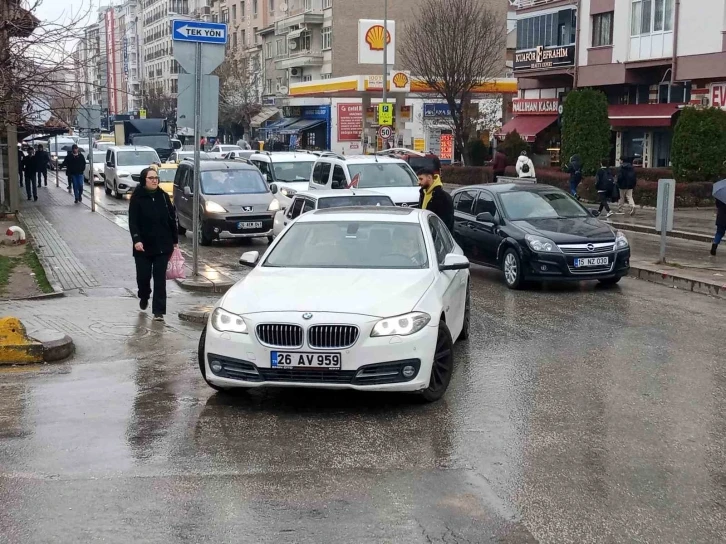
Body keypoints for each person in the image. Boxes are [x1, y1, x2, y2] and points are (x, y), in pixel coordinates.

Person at [128, 168, 179, 321]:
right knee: (143, 278)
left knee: (160, 279)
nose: (154, 180)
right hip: (142, 247)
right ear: (144, 180)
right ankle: (144, 296)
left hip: (163, 246)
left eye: (156, 178)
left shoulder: (163, 196)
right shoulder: (137, 198)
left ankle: (158, 311)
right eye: (151, 178)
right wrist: (136, 240)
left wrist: (175, 241)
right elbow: (133, 222)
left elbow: (172, 219)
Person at [417, 167, 454, 232]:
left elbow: (447, 221)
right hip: (426, 232)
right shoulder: (423, 193)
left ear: (429, 178)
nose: (418, 182)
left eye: (421, 179)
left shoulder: (443, 196)